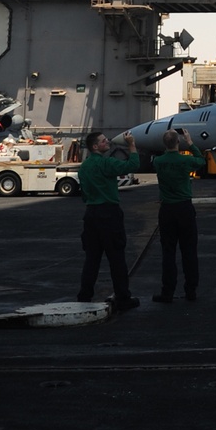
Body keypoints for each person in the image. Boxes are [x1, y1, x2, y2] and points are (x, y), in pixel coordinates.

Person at [76, 129, 140, 308]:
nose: (108, 142)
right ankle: (122, 296)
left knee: (92, 259)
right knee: (116, 258)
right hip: (109, 214)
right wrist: (132, 145)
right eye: (104, 141)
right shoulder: (107, 164)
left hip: (91, 214)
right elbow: (132, 165)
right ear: (95, 146)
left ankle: (84, 296)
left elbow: (84, 194)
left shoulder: (84, 167)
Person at [152, 126, 208, 303]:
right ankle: (191, 290)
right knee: (189, 251)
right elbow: (201, 160)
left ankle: (167, 291)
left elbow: (161, 157)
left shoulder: (158, 162)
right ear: (178, 142)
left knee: (168, 253)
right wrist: (190, 143)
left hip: (167, 209)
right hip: (184, 209)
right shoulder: (185, 161)